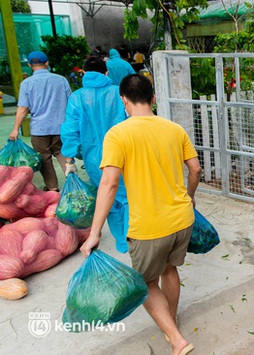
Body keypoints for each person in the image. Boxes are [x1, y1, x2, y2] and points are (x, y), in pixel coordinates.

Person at [80, 74, 200, 355]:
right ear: (153, 98)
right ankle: (172, 318)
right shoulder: (174, 128)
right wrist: (189, 197)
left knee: (145, 282)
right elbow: (195, 170)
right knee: (170, 269)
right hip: (182, 219)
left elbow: (108, 184)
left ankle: (177, 339)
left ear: (124, 100)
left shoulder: (118, 134)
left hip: (150, 226)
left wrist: (94, 232)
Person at [60, 56, 130, 253]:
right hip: (123, 154)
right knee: (128, 198)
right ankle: (132, 241)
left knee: (108, 199)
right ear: (106, 72)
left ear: (83, 73)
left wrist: (69, 159)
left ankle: (122, 243)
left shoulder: (77, 97)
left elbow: (70, 130)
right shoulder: (119, 93)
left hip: (93, 159)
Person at [9, 51, 72, 191]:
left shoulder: (26, 84)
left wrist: (15, 129)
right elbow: (71, 103)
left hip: (39, 129)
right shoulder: (61, 80)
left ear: (30, 65)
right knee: (63, 153)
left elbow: (23, 108)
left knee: (44, 157)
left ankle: (52, 188)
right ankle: (73, 182)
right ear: (47, 63)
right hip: (61, 126)